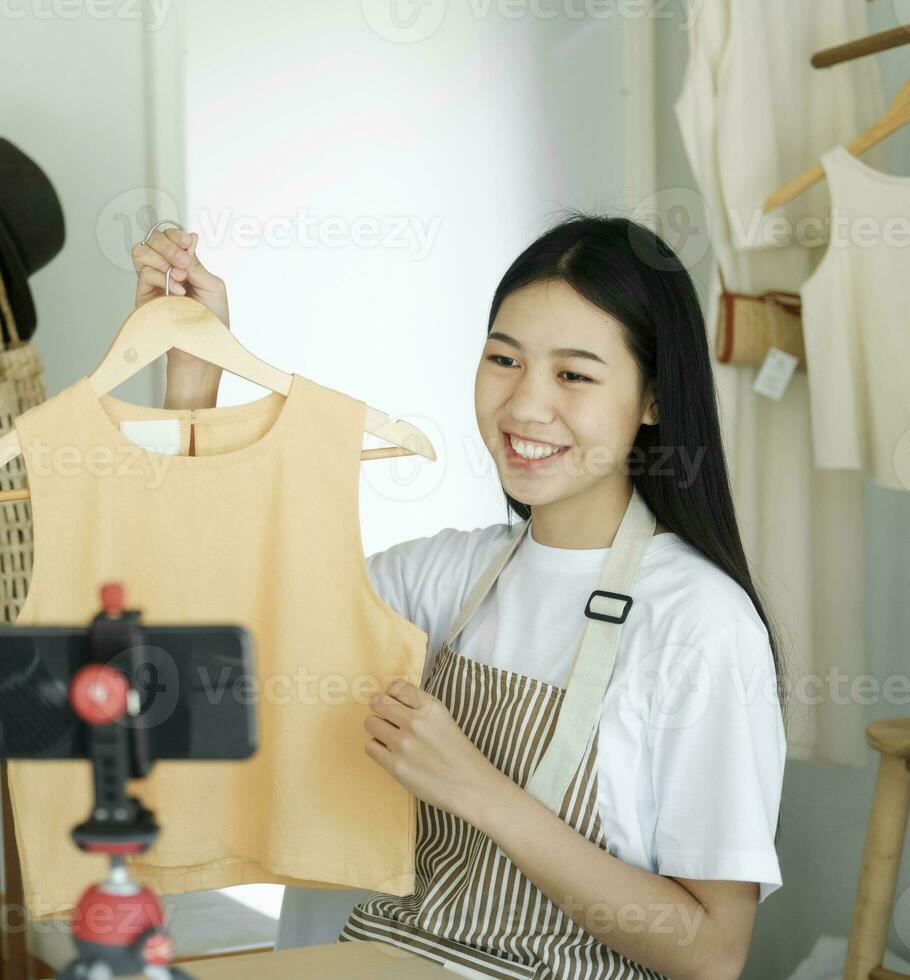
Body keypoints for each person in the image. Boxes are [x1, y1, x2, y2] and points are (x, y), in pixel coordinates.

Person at [130, 215, 786, 980]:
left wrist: (477, 789)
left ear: (653, 400)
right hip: (393, 957)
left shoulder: (700, 623)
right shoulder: (448, 577)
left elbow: (712, 953)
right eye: (504, 360)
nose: (526, 405)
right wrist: (195, 380)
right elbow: (215, 627)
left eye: (574, 374)